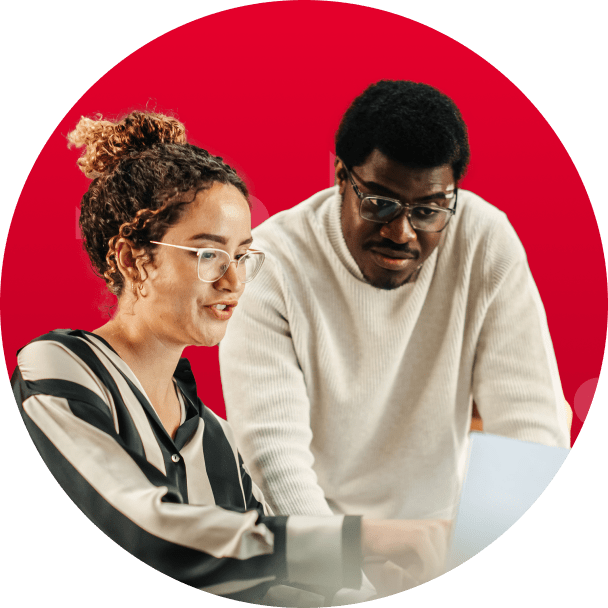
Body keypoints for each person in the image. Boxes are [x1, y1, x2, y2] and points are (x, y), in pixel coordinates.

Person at [11, 110, 450, 606]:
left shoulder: (217, 439)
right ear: (134, 260)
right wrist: (358, 541)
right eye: (207, 254)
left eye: (243, 255)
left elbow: (274, 585)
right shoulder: (58, 369)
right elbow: (141, 534)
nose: (234, 281)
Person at [219, 81, 571, 525]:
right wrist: (348, 574)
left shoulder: (484, 239)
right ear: (341, 179)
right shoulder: (270, 264)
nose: (401, 233)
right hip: (310, 545)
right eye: (380, 204)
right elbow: (274, 462)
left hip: (440, 532)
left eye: (428, 210)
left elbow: (530, 431)